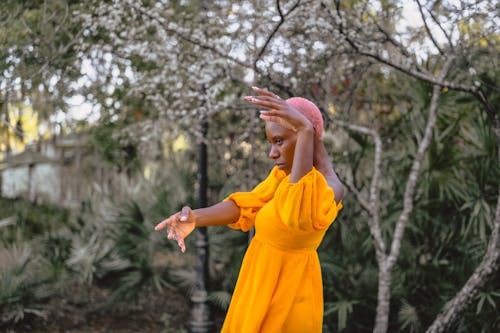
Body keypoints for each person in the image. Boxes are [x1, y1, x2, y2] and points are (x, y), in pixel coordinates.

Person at [155, 86, 344, 332]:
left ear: (307, 135)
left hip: (287, 302)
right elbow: (249, 204)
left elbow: (295, 213)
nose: (272, 153)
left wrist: (306, 128)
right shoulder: (282, 177)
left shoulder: (329, 187)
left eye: (279, 141)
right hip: (256, 289)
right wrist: (196, 218)